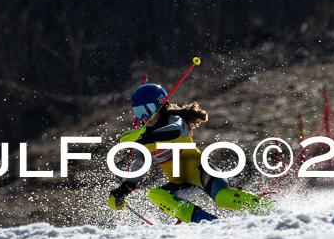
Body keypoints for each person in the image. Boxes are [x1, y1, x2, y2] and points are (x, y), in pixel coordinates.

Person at [106, 83, 276, 223]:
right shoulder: (143, 137)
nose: (143, 117)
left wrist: (146, 138)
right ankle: (208, 222)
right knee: (156, 194)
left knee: (223, 198)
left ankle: (273, 210)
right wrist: (122, 190)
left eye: (147, 110)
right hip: (181, 183)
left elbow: (174, 131)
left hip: (202, 171)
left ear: (161, 106)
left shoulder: (175, 120)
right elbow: (139, 167)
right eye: (138, 112)